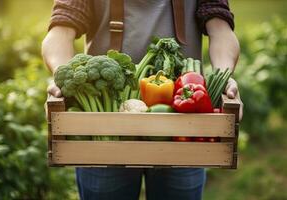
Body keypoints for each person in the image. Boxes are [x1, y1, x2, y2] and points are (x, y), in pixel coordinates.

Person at [42, 0, 243, 199]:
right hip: (103, 129)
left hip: (182, 128)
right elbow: (60, 29)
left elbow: (221, 28)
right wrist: (62, 72)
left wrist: (223, 74)